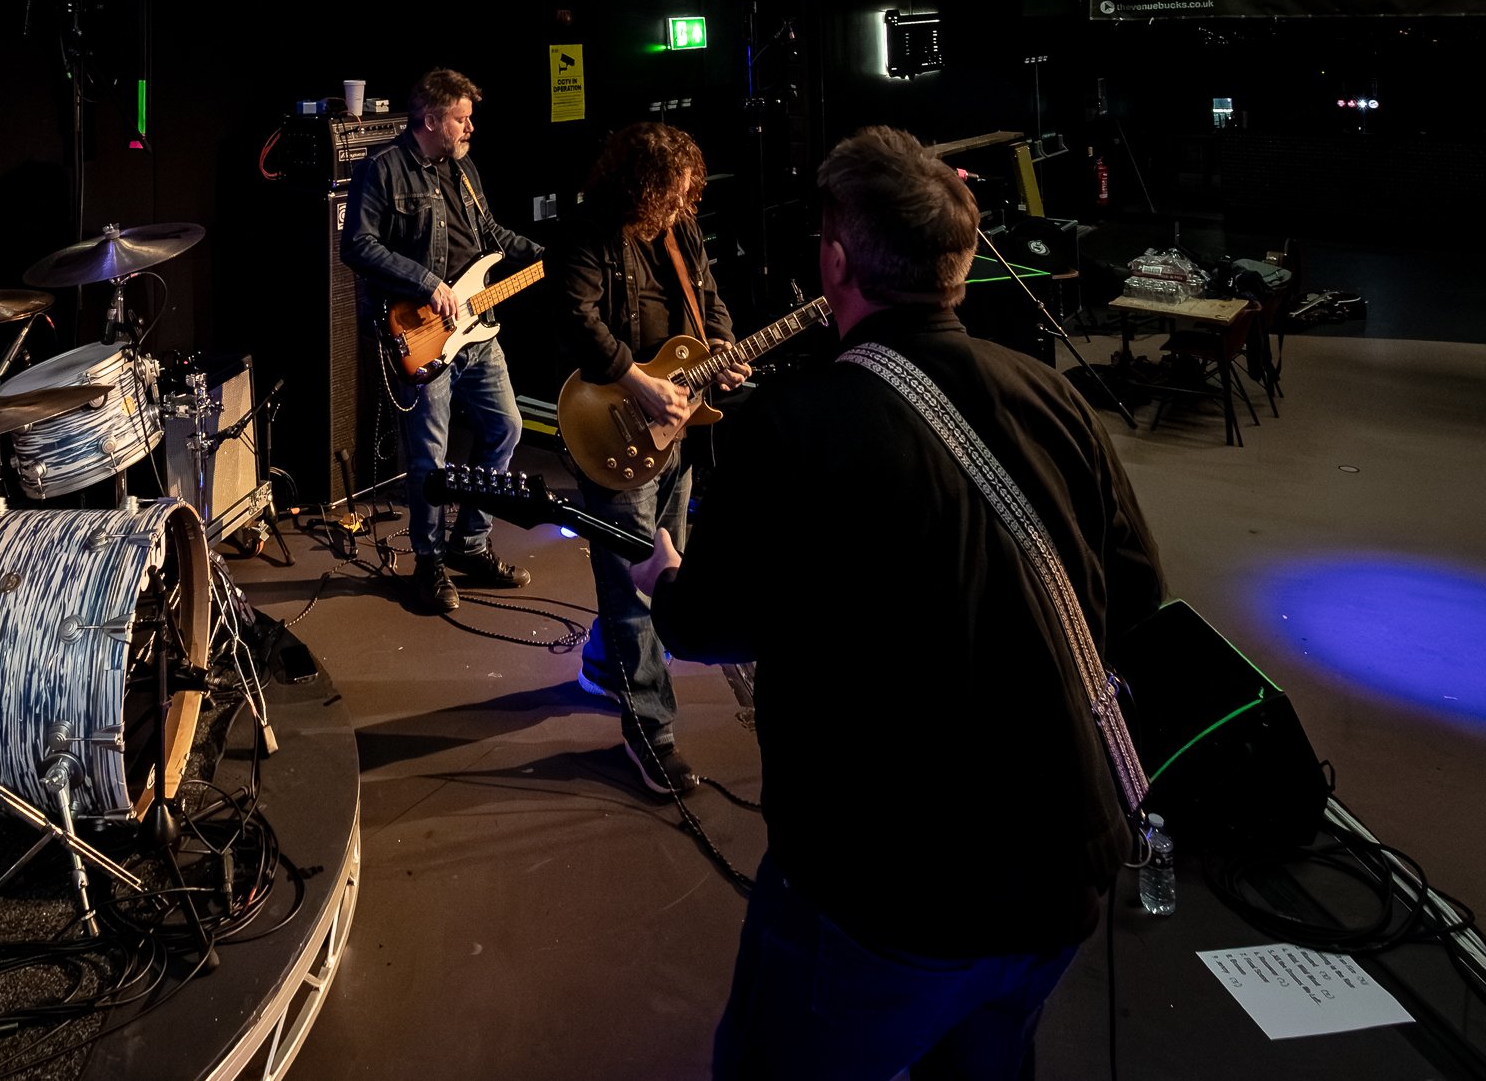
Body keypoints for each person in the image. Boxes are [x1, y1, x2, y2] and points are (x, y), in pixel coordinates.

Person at [626, 126, 1166, 1080]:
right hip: (1061, 876)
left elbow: (712, 624)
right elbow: (1137, 602)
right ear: (957, 261)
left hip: (885, 899)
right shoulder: (1055, 397)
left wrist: (664, 578)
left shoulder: (792, 426)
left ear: (835, 262)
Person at [553, 121, 750, 796]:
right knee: (636, 589)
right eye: (667, 195)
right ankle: (652, 734)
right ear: (638, 186)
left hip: (678, 431)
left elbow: (710, 297)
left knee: (658, 570)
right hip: (614, 424)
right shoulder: (589, 230)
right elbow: (579, 317)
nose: (677, 207)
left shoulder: (678, 231)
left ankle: (606, 667)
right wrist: (639, 381)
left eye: (684, 195)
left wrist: (719, 351)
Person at [340, 68, 543, 612]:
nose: (469, 125)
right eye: (460, 117)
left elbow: (489, 235)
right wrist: (427, 282)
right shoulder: (382, 171)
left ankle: (470, 544)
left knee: (506, 426)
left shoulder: (464, 168)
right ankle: (428, 564)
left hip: (478, 327)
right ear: (430, 120)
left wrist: (541, 254)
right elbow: (356, 246)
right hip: (425, 332)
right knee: (430, 452)